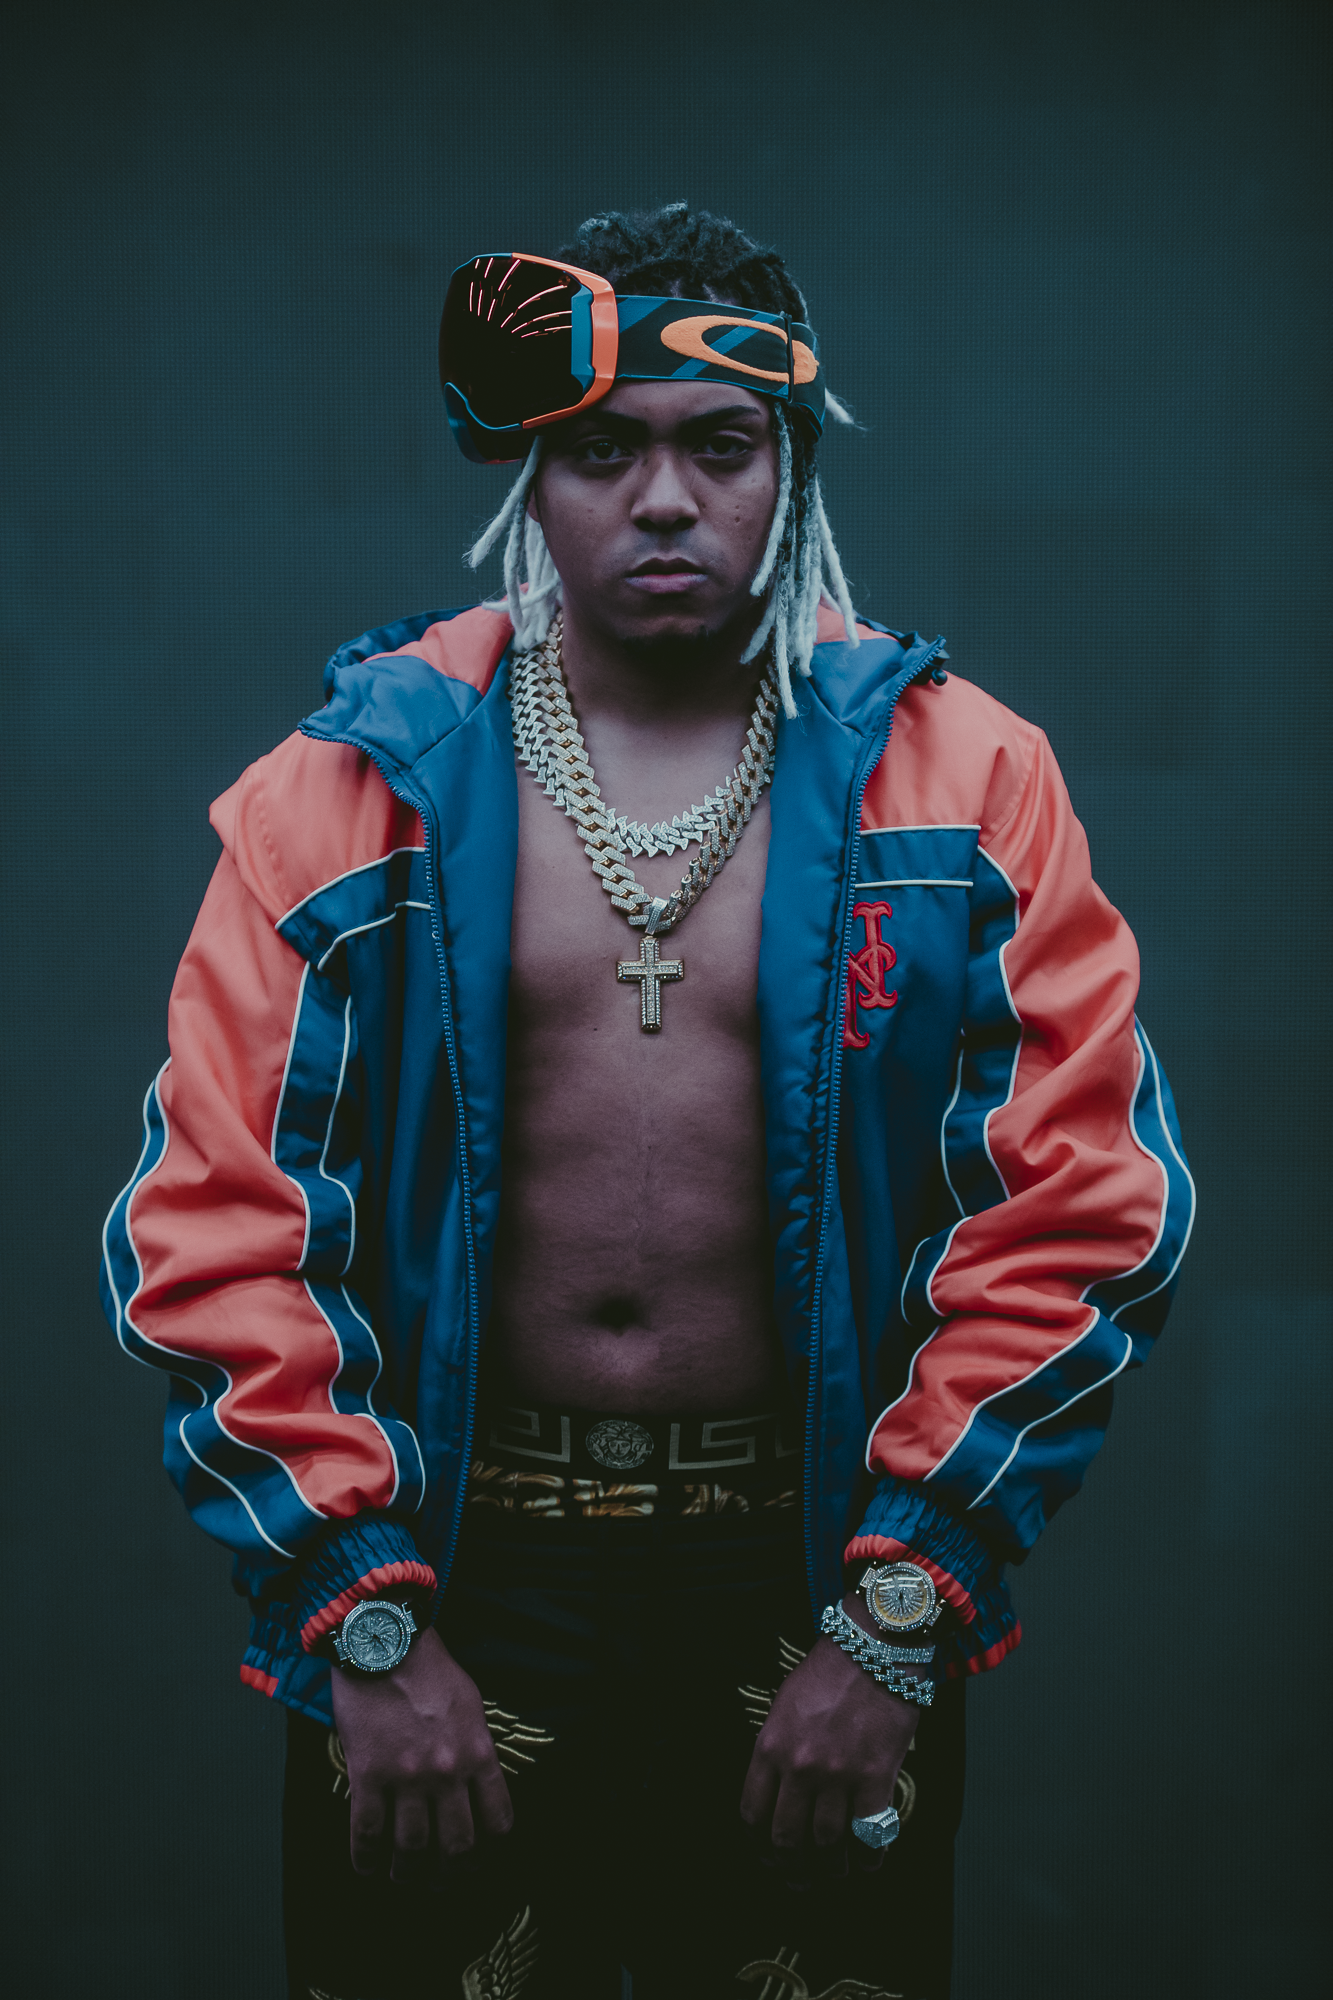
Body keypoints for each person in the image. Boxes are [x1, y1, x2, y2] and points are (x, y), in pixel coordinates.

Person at [99, 205, 1194, 2000]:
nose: (665, 499)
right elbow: (215, 1229)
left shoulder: (968, 786)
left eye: (721, 446)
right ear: (532, 478)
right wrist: (357, 1622)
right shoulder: (348, 792)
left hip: (814, 1577)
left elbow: (1082, 1213)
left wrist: (901, 1609)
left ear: (794, 464)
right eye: (604, 449)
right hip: (450, 1579)